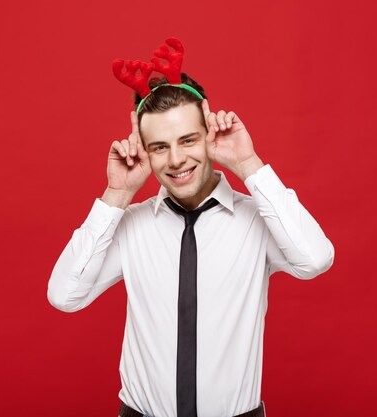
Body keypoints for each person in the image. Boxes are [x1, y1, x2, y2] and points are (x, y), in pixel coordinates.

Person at [48, 39, 334, 417]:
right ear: (145, 151)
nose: (177, 159)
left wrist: (248, 163)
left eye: (188, 140)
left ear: (209, 136)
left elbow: (315, 259)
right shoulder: (131, 226)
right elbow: (65, 295)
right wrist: (116, 194)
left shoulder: (256, 220)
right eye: (160, 147)